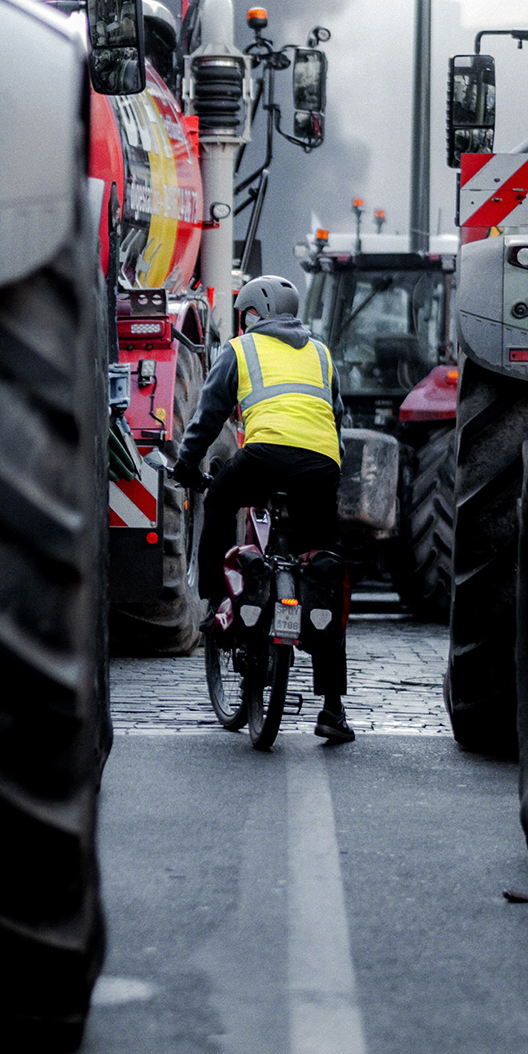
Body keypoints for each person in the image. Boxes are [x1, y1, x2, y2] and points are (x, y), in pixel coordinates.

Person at [174, 274, 353, 742]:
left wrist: (186, 466)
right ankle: (332, 709)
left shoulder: (240, 349)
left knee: (218, 498)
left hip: (264, 456)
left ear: (252, 313)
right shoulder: (321, 353)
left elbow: (208, 416)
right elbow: (336, 416)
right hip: (320, 465)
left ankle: (216, 604)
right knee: (326, 571)